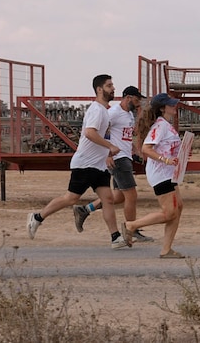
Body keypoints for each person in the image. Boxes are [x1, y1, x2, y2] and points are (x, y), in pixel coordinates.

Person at [27, 74, 128, 249]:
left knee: (108, 199)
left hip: (99, 165)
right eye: (110, 85)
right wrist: (110, 146)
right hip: (85, 164)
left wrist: (108, 154)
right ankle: (37, 218)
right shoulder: (96, 109)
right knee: (71, 198)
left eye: (113, 85)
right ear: (99, 89)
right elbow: (90, 133)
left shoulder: (104, 111)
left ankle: (115, 237)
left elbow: (102, 134)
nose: (113, 88)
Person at [72, 86, 154, 243]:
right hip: (118, 159)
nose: (138, 104)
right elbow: (101, 131)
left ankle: (84, 210)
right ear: (128, 97)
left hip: (125, 156)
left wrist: (136, 150)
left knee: (118, 196)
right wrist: (107, 154)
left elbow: (126, 136)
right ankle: (132, 229)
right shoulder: (113, 113)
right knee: (132, 195)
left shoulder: (129, 114)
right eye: (137, 100)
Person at [121, 93, 185, 258]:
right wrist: (166, 160)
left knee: (178, 208)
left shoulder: (165, 125)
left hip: (169, 173)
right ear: (163, 108)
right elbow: (146, 149)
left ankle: (166, 250)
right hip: (161, 174)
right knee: (169, 213)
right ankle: (131, 225)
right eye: (171, 104)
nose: (174, 106)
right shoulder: (160, 126)